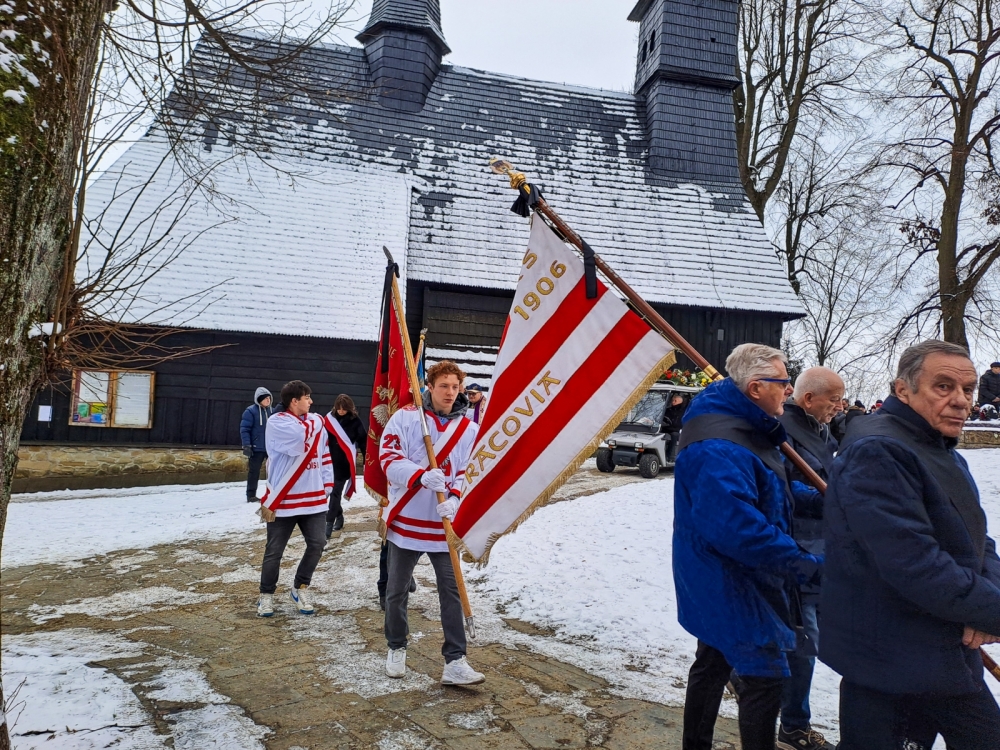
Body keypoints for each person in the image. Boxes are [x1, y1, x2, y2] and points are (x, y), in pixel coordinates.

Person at [822, 340, 1000, 749]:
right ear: (903, 390)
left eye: (968, 390)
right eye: (943, 387)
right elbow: (914, 563)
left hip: (938, 649)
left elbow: (975, 538)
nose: (961, 401)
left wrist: (988, 605)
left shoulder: (936, 445)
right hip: (892, 658)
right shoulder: (878, 450)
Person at [673, 343, 823, 750]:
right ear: (756, 388)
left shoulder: (738, 424)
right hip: (731, 578)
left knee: (712, 662)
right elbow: (737, 527)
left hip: (724, 575)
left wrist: (823, 499)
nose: (789, 390)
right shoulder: (718, 444)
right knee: (764, 679)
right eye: (783, 382)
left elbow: (766, 486)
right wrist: (806, 566)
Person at [379, 360, 484, 685]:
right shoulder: (406, 419)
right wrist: (420, 476)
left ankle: (455, 660)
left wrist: (454, 497)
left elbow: (470, 469)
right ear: (430, 386)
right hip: (407, 521)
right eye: (444, 386)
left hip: (442, 525)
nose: (451, 393)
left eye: (456, 387)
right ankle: (396, 646)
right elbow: (388, 459)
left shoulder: (468, 429)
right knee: (396, 591)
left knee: (451, 592)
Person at [774, 366, 844, 750]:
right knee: (804, 640)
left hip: (824, 549)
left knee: (803, 639)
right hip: (797, 548)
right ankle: (794, 726)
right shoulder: (784, 430)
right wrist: (831, 500)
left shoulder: (823, 430)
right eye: (833, 399)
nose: (840, 405)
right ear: (808, 398)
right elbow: (784, 487)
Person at [256, 380, 333, 618]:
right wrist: (318, 421)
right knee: (274, 551)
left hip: (313, 498)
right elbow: (299, 443)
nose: (311, 402)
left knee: (318, 544)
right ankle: (266, 596)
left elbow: (324, 453)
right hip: (284, 498)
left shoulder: (315, 422)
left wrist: (326, 483)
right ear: (294, 401)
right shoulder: (277, 422)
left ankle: (300, 587)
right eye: (307, 398)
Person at [323, 394, 367, 539]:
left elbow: (363, 441)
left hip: (344, 463)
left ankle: (328, 525)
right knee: (332, 492)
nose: (341, 411)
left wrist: (367, 459)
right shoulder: (329, 420)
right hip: (328, 462)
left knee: (335, 492)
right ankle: (339, 516)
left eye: (344, 409)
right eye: (339, 408)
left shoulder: (355, 421)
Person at [240, 387, 274, 502]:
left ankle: (274, 493)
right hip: (256, 447)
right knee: (254, 472)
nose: (268, 400)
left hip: (270, 448)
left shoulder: (273, 412)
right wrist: (247, 445)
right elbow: (245, 429)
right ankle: (251, 495)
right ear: (259, 399)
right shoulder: (250, 411)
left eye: (269, 398)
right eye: (265, 398)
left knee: (274, 472)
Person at [661, 392, 688, 462]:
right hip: (666, 429)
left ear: (680, 401)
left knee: (674, 435)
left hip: (678, 431)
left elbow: (680, 424)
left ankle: (670, 456)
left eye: (675, 401)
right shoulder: (668, 410)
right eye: (672, 400)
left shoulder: (684, 411)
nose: (673, 402)